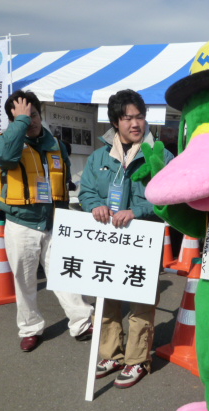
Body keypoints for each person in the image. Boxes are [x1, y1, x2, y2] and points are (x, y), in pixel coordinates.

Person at [79, 89, 174, 388]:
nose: (136, 124)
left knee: (141, 301)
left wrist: (137, 211)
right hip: (107, 239)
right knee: (105, 297)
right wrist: (95, 205)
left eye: (140, 117)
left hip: (142, 238)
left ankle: (137, 360)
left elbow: (169, 197)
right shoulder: (99, 156)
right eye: (128, 118)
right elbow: (87, 191)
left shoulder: (160, 155)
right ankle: (110, 354)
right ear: (115, 122)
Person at [0, 90, 93, 352]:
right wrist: (20, 123)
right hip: (21, 223)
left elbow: (66, 177)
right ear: (13, 120)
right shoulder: (3, 142)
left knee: (65, 274)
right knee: (24, 281)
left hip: (54, 220)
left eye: (34, 114)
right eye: (24, 117)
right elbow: (5, 157)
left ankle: (81, 322)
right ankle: (30, 328)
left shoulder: (55, 144)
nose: (32, 120)